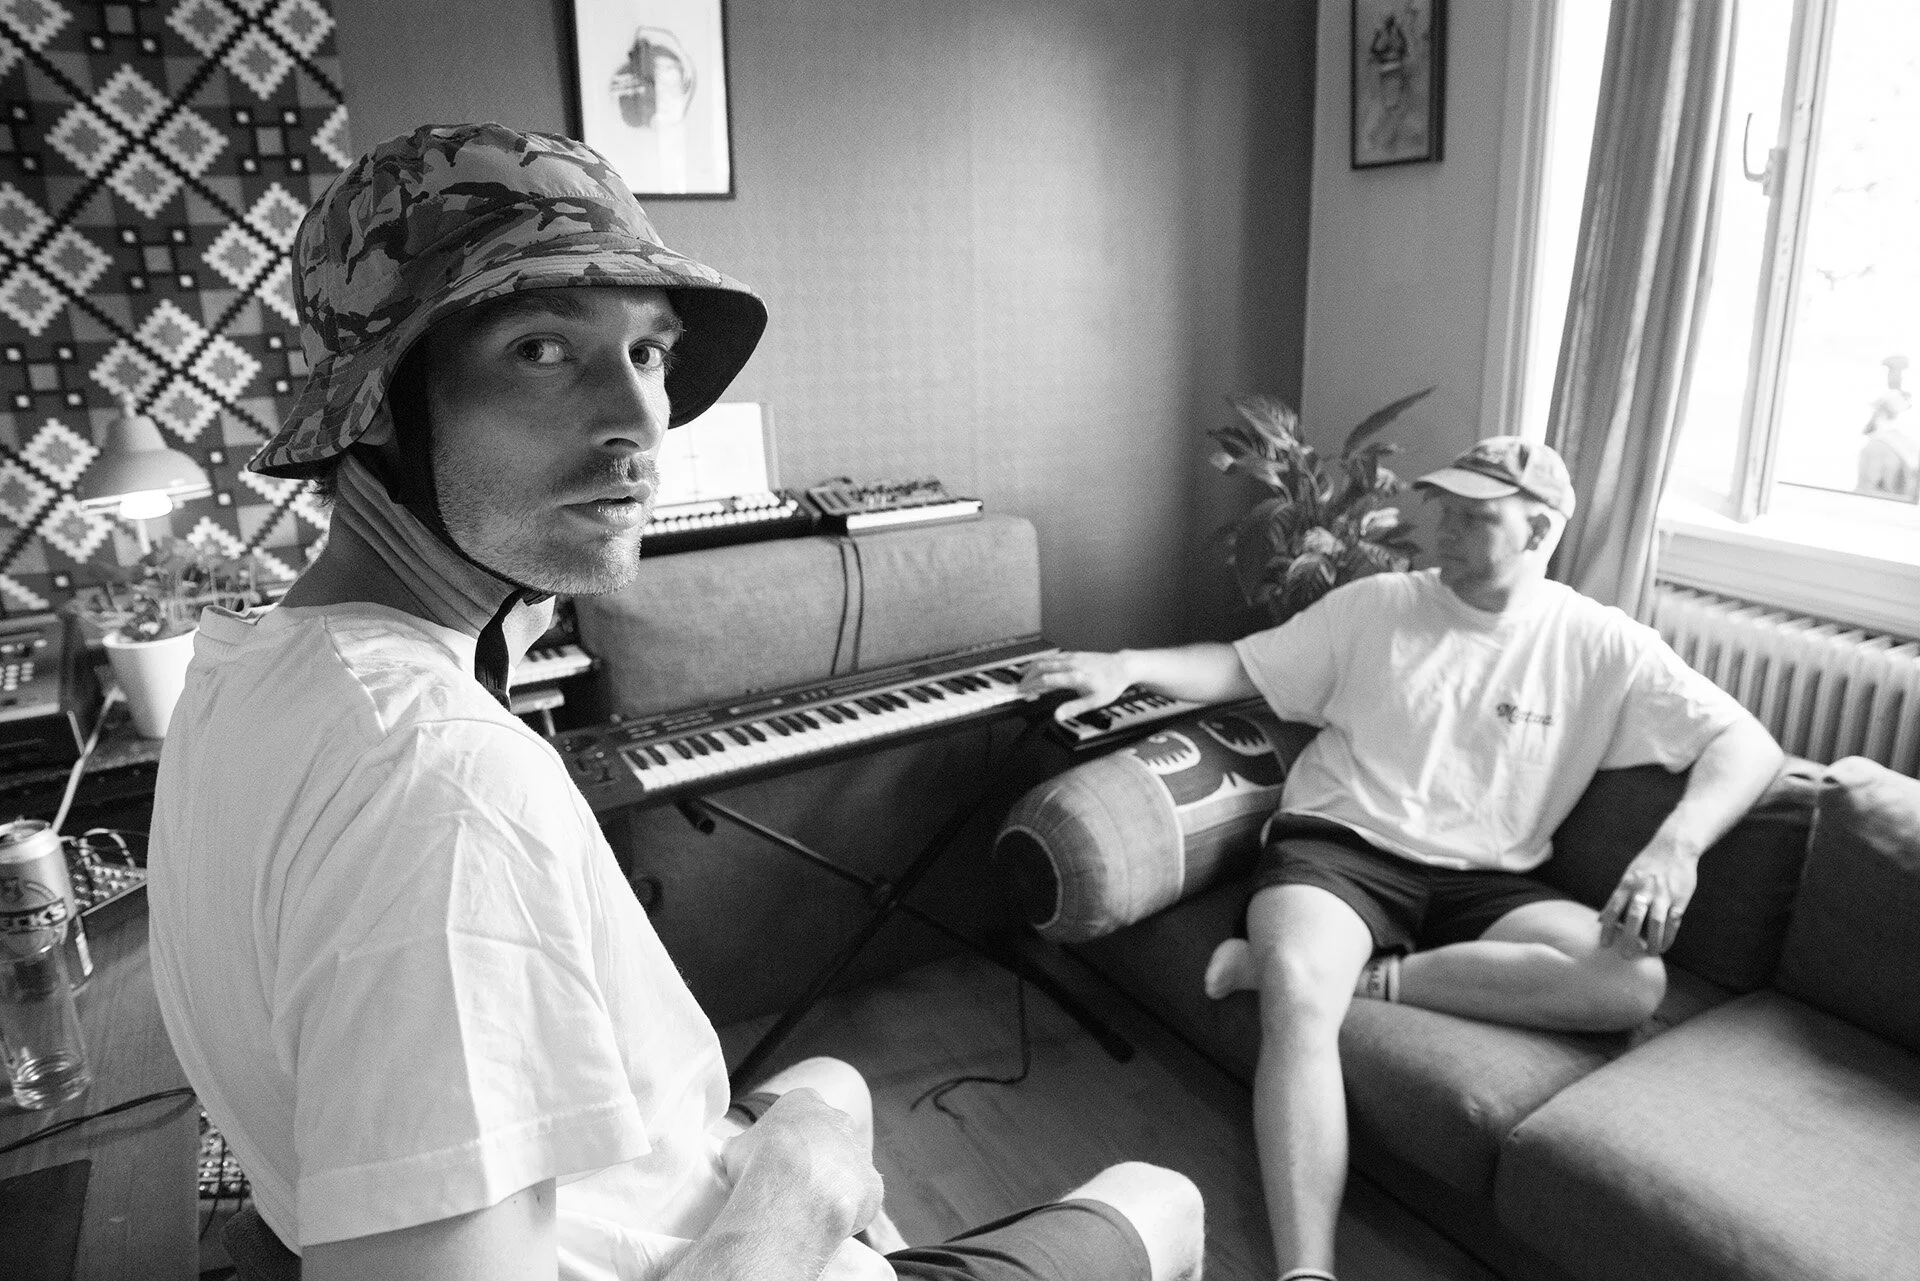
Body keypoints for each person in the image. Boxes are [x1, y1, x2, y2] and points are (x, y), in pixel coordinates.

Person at [148, 123, 1203, 1281]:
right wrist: (801, 1194)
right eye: (542, 349)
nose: (643, 416)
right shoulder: (441, 780)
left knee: (829, 1084)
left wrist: (799, 1146)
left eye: (649, 351)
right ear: (377, 411)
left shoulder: (240, 673)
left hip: (631, 1194)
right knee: (1164, 1197)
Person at [1019, 437, 1784, 1281]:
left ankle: (1359, 976)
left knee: (1631, 980)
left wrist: (1677, 846)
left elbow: (1747, 742)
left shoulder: (1601, 643)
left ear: (1538, 532)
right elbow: (1240, 665)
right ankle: (1306, 1271)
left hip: (1489, 879)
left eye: (1472, 516)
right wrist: (1124, 665)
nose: (1442, 528)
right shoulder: (1377, 606)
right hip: (1341, 850)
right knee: (1300, 994)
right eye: (1442, 508)